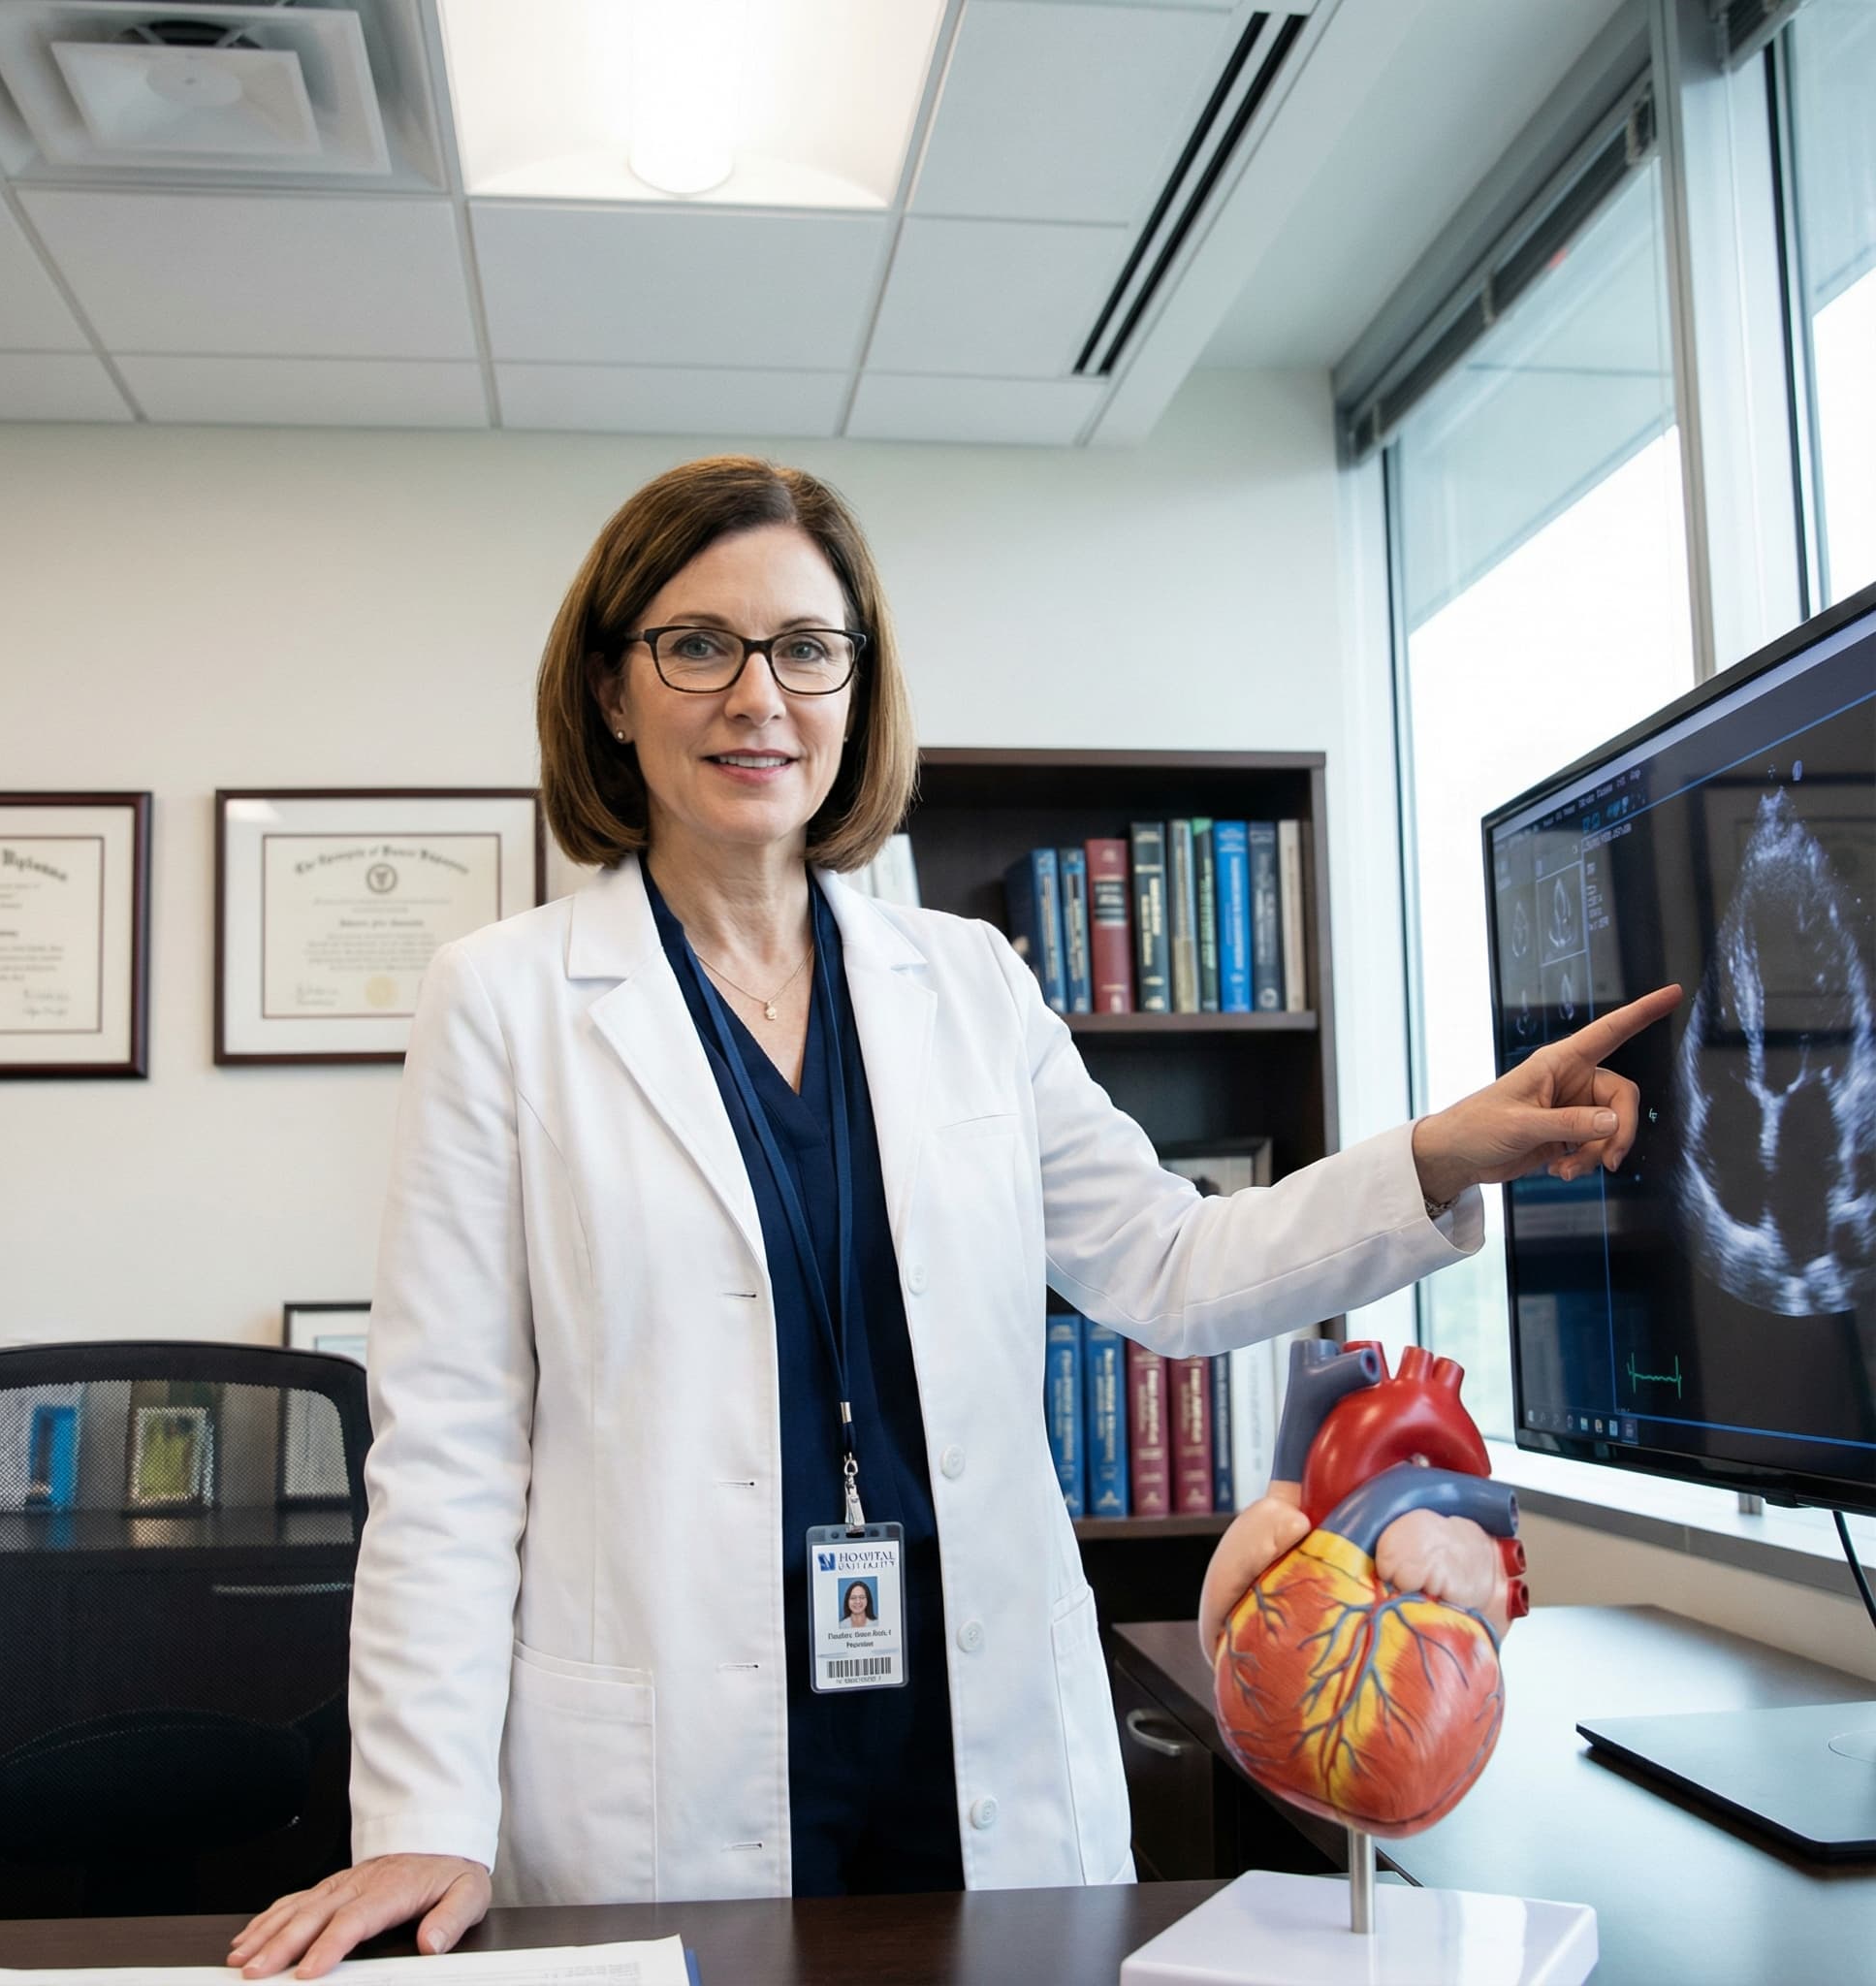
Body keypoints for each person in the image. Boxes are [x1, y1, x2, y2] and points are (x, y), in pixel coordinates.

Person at [229, 457, 1677, 1980]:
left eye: (807, 648)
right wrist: (422, 1815)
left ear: (854, 687)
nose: (757, 696)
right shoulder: (504, 1001)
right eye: (698, 645)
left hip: (974, 1729)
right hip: (666, 1762)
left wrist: (1443, 1154)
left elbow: (1171, 1265)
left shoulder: (970, 982)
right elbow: (450, 1448)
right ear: (610, 687)